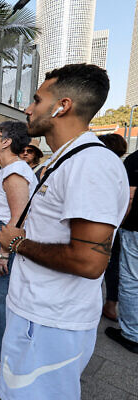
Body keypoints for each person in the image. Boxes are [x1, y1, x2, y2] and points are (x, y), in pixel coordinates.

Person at [0, 64, 129, 399]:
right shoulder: (67, 159)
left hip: (51, 322)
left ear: (62, 106)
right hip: (38, 314)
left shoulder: (90, 164)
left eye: (37, 100)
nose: (28, 108)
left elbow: (89, 262)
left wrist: (17, 243)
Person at [0, 121, 36, 372]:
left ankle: (6, 355)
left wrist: (4, 253)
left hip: (1, 237)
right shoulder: (7, 169)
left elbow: (18, 217)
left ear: (6, 142)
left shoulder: (15, 173)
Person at [105, 144, 138, 353]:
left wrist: (116, 226)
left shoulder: (135, 160)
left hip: (135, 228)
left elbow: (130, 197)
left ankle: (132, 334)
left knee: (130, 280)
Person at [97, 134, 128, 322]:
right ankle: (110, 304)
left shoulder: (104, 169)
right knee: (113, 265)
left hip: (108, 226)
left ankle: (107, 305)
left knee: (102, 264)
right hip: (116, 226)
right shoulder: (121, 168)